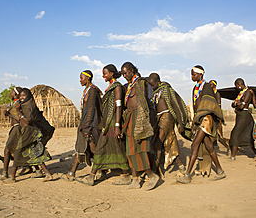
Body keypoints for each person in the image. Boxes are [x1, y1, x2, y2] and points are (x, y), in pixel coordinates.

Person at [77, 65, 130, 186]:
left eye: (105, 73)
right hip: (108, 123)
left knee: (105, 148)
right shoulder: (110, 88)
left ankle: (92, 176)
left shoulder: (117, 87)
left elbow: (118, 106)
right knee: (114, 149)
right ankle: (123, 174)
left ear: (111, 73)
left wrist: (117, 126)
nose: (103, 76)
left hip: (112, 124)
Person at [176, 65, 226, 184]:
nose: (192, 76)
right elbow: (195, 105)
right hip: (199, 118)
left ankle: (187, 175)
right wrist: (194, 121)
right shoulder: (196, 88)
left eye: (194, 74)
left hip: (206, 119)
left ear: (201, 74)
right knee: (209, 146)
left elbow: (208, 104)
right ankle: (220, 171)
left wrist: (199, 117)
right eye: (191, 75)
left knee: (195, 145)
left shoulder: (206, 86)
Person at [120, 62, 159, 190]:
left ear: (132, 70)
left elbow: (147, 103)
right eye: (123, 74)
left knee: (138, 150)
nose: (124, 75)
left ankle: (151, 175)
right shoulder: (129, 86)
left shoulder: (142, 83)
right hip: (130, 117)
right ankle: (135, 180)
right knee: (130, 151)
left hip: (139, 117)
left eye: (126, 72)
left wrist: (143, 121)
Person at [3, 88, 53, 183]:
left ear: (28, 96)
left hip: (28, 130)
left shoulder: (28, 106)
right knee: (33, 152)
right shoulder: (26, 104)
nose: (21, 97)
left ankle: (12, 177)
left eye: (23, 96)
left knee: (18, 152)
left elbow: (28, 120)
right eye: (20, 96)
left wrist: (18, 112)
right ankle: (47, 174)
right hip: (28, 130)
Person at [61, 70, 102, 181]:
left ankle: (99, 172)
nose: (80, 80)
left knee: (93, 150)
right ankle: (72, 173)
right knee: (81, 148)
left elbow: (91, 110)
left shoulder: (92, 91)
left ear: (87, 78)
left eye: (81, 78)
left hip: (90, 126)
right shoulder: (87, 90)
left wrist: (87, 127)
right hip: (86, 124)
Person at [147, 73, 189, 176]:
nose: (152, 87)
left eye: (153, 85)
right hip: (159, 118)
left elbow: (175, 106)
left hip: (168, 116)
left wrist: (180, 124)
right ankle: (181, 166)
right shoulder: (155, 92)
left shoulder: (166, 90)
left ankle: (155, 170)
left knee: (158, 142)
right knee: (169, 142)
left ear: (158, 81)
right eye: (150, 86)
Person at [0, 87, 23, 180]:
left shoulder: (18, 104)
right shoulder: (16, 103)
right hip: (15, 128)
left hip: (17, 128)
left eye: (12, 92)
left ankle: (5, 173)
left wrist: (8, 114)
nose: (10, 93)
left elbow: (19, 117)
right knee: (18, 150)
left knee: (7, 150)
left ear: (16, 94)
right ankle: (35, 169)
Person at [229, 78, 256, 161]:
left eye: (236, 86)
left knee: (235, 134)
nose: (236, 88)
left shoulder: (248, 92)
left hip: (244, 116)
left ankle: (233, 156)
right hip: (240, 116)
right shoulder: (242, 93)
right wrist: (237, 104)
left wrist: (238, 104)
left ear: (239, 85)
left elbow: (241, 106)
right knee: (247, 136)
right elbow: (233, 104)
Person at [209, 80, 230, 152]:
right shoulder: (209, 94)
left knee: (217, 135)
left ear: (214, 86)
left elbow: (218, 106)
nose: (209, 86)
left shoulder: (217, 94)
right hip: (210, 115)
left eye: (211, 84)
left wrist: (218, 116)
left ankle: (227, 147)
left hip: (215, 116)